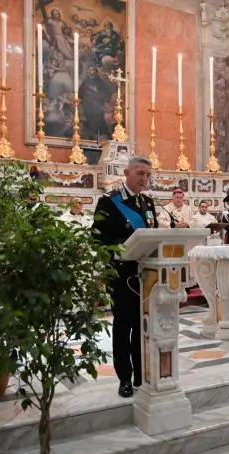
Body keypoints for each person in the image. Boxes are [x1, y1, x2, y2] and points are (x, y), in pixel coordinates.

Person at [92, 156, 166, 398]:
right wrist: (123, 248)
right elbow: (98, 239)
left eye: (147, 174)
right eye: (140, 173)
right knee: (123, 327)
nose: (144, 179)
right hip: (122, 275)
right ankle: (124, 376)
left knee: (141, 326)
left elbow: (152, 235)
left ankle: (139, 373)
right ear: (127, 173)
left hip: (146, 276)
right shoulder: (109, 202)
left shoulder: (147, 203)